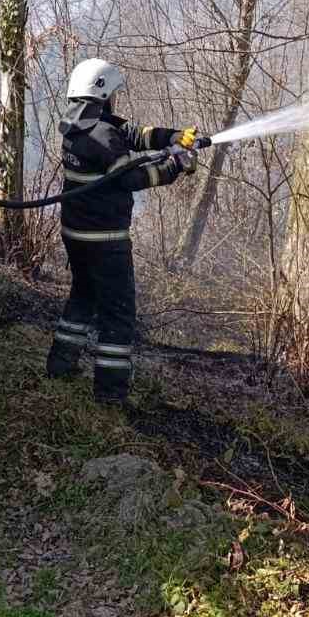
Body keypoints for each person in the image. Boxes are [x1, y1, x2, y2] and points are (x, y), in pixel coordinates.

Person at [46, 58, 198, 404]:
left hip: (76, 234)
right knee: (118, 314)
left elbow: (131, 134)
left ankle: (60, 365)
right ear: (102, 93)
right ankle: (110, 395)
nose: (115, 100)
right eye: (112, 94)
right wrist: (175, 164)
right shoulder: (102, 136)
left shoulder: (79, 126)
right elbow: (129, 177)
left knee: (83, 296)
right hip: (105, 241)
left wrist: (172, 137)